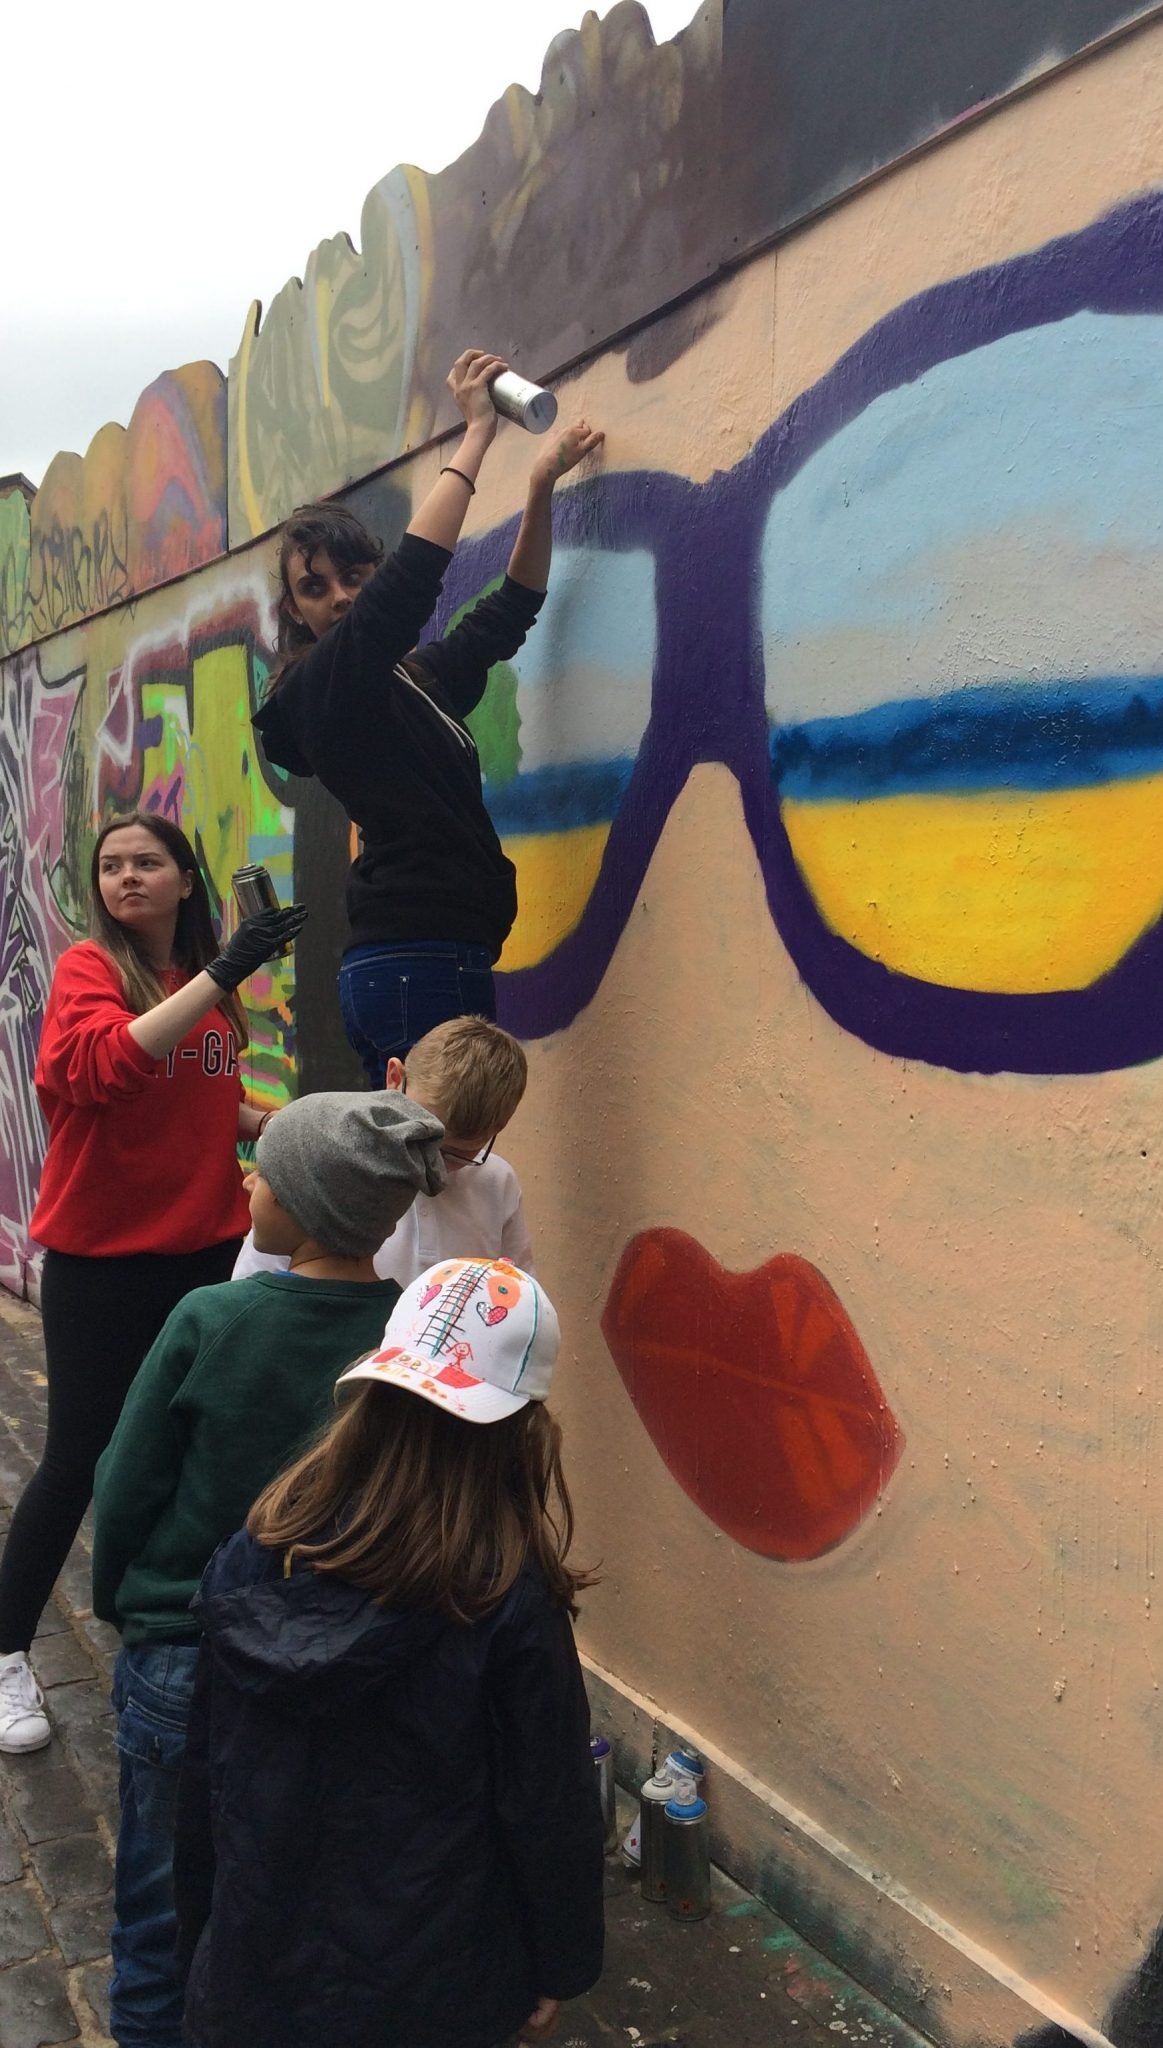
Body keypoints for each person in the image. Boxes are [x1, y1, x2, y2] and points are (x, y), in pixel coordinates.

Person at [175, 1257, 604, 2048]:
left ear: (371, 1394)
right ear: (524, 1430)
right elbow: (548, 1807)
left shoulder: (259, 1549)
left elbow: (207, 1768)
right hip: (433, 1986)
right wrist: (559, 1964)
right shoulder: (505, 1599)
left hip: (256, 1968)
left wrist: (201, 1935)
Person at [92, 1088, 445, 2048]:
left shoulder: (210, 1317)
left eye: (264, 1173)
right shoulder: (410, 1342)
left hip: (183, 1653)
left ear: (303, 1204)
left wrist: (126, 1604)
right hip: (340, 1663)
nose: (247, 1181)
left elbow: (124, 1485)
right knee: (291, 1890)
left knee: (156, 1904)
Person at [0, 811, 304, 1758]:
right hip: (102, 1262)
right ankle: (7, 1651)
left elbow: (212, 1099)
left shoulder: (207, 987)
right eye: (111, 866)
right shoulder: (89, 970)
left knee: (197, 1446)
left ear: (185, 878)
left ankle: (174, 1627)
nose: (126, 877)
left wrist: (288, 1124)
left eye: (147, 861)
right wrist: (226, 972)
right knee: (78, 1457)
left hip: (205, 1253)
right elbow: (104, 1066)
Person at [251, 347, 605, 1085]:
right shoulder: (319, 688)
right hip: (416, 959)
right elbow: (408, 586)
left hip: (434, 957)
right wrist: (476, 434)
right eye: (315, 588)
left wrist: (540, 487)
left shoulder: (413, 683)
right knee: (440, 1152)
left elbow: (508, 613)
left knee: (432, 1153)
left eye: (355, 576)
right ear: (294, 611)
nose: (340, 596)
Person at [230, 1014, 533, 1285]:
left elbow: (519, 1292)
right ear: (394, 1079)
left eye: (459, 1155)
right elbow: (254, 1286)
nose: (434, 1165)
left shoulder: (497, 1181)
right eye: (422, 1138)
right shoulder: (330, 1163)